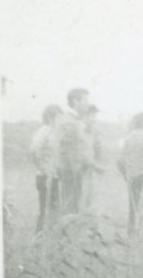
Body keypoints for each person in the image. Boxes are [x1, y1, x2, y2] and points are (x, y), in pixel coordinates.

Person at [54, 87, 101, 215]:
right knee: (71, 209)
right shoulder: (69, 121)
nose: (88, 104)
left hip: (76, 170)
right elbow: (70, 151)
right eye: (85, 100)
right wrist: (89, 165)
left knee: (76, 208)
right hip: (72, 171)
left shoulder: (76, 121)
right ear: (75, 102)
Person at [29, 104, 63, 231]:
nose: (61, 121)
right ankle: (38, 240)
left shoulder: (56, 133)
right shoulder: (44, 131)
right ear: (50, 117)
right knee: (45, 210)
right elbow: (34, 151)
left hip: (54, 177)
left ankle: (50, 239)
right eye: (59, 117)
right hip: (44, 177)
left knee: (55, 210)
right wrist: (43, 168)